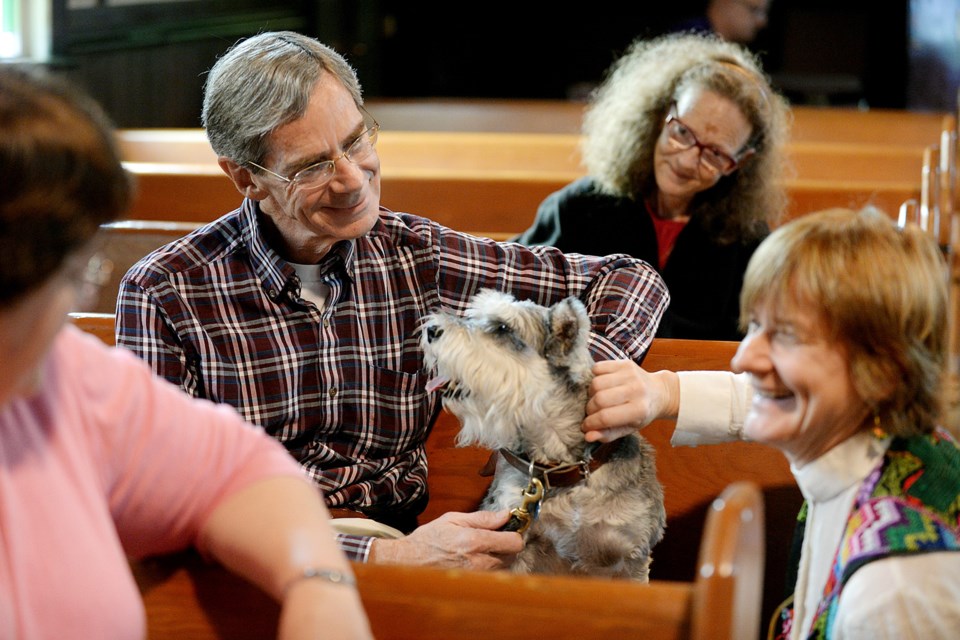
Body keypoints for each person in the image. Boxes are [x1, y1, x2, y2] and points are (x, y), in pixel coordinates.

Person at [115, 31, 669, 568]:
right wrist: (384, 557)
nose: (354, 180)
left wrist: (591, 376)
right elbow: (155, 503)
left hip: (404, 538)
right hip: (249, 565)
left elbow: (630, 279)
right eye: (312, 165)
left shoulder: (415, 255)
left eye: (357, 140)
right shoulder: (166, 292)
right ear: (245, 178)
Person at [0, 66, 372, 639]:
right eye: (75, 275)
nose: (74, 305)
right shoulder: (165, 287)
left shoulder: (61, 376)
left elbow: (238, 467)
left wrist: (320, 585)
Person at [583, 206, 960, 638]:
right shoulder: (871, 444)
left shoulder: (894, 594)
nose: (744, 357)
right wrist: (664, 391)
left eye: (786, 335)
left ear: (883, 370)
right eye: (756, 324)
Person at [514, 32, 790, 340]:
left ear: (740, 162)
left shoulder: (748, 243)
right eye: (682, 132)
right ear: (662, 116)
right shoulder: (577, 208)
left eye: (715, 153)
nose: (686, 162)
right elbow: (515, 300)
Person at [673, 0, 772, 45]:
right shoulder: (690, 39)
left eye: (763, 13)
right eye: (754, 10)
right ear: (725, 2)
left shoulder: (722, 43)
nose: (762, 22)